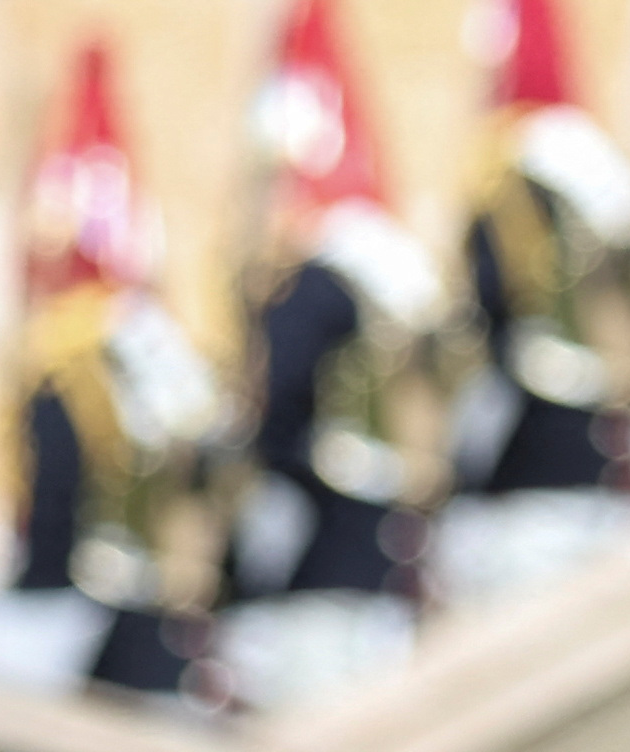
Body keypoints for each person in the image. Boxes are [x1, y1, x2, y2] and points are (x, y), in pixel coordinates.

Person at [219, 0, 439, 714]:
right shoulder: (394, 274)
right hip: (388, 541)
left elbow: (278, 403)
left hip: (312, 551)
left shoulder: (316, 280)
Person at [0, 36, 219, 709]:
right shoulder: (155, 340)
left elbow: (53, 479)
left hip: (66, 602)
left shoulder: (61, 348)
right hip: (151, 603)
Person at [435, 0, 630, 605]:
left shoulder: (507, 185)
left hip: (521, 459)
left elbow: (491, 323)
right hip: (607, 451)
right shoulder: (613, 188)